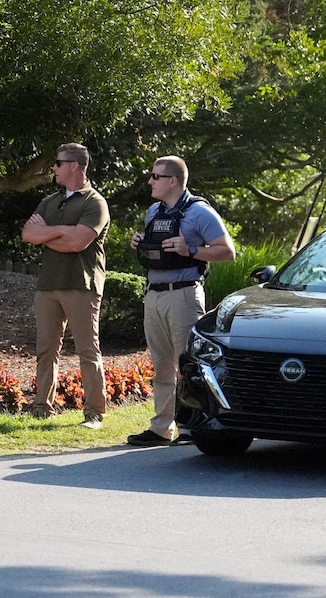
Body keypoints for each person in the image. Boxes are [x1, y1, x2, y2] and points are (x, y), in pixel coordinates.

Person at [128, 156, 235, 446]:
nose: (150, 181)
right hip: (154, 294)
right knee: (161, 364)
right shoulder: (153, 211)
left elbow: (227, 251)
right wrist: (141, 243)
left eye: (155, 176)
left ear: (173, 180)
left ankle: (192, 425)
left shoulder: (200, 212)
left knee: (188, 365)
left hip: (184, 294)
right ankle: (161, 429)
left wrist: (189, 249)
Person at [21, 143, 110, 429]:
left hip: (81, 285)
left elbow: (78, 243)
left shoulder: (94, 202)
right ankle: (41, 408)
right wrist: (60, 230)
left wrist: (45, 234)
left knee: (87, 350)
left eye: (58, 163)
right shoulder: (49, 201)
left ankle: (95, 413)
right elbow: (27, 234)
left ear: (74, 165)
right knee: (46, 349)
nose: (54, 169)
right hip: (48, 284)